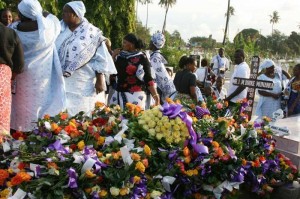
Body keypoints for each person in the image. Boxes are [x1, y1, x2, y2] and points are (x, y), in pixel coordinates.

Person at [10, 0, 66, 132]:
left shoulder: (14, 29)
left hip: (21, 75)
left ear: (22, 14)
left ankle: (19, 129)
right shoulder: (49, 28)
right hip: (43, 77)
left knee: (21, 102)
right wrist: (41, 12)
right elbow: (53, 18)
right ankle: (39, 130)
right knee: (40, 103)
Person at [56, 1, 116, 115]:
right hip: (61, 81)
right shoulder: (58, 30)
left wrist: (100, 79)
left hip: (83, 82)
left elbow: (101, 58)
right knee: (62, 114)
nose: (62, 14)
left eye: (65, 12)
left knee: (83, 113)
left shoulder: (92, 33)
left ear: (75, 14)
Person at [110, 33, 159, 109]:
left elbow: (148, 78)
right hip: (119, 94)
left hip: (136, 97)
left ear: (132, 44)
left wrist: (155, 95)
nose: (123, 45)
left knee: (133, 118)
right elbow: (112, 73)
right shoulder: (119, 56)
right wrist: (113, 56)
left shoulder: (142, 57)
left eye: (125, 42)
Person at [0, 22, 24, 138]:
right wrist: (12, 76)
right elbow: (19, 63)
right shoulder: (10, 33)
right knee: (2, 110)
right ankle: (2, 144)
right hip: (3, 76)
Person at [149, 32, 176, 102]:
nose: (149, 43)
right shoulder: (156, 56)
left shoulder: (155, 58)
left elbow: (156, 76)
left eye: (151, 41)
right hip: (168, 90)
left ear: (153, 43)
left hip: (164, 92)